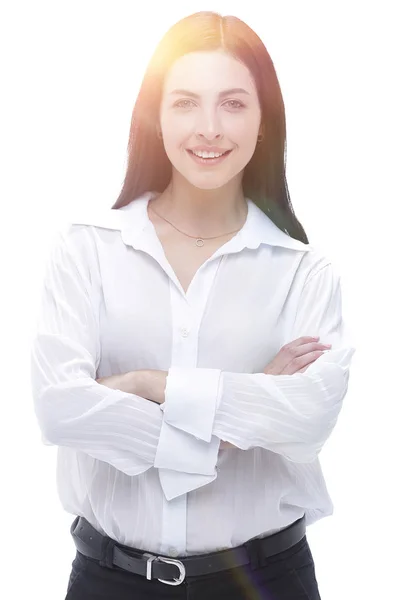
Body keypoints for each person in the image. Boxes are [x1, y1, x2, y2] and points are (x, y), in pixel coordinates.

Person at [31, 10, 355, 600]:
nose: (209, 127)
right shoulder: (87, 249)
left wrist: (145, 382)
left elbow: (308, 422)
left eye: (233, 103)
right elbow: (60, 410)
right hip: (110, 582)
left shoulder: (304, 272)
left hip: (268, 581)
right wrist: (240, 415)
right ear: (155, 117)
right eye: (185, 102)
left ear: (264, 122)